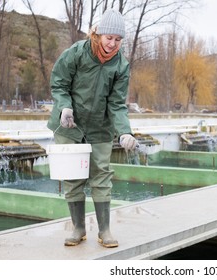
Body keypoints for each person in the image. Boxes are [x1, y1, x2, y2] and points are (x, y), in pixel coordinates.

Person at [47, 9, 138, 248]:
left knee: (101, 177)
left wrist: (125, 132)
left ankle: (104, 230)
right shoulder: (77, 52)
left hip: (100, 128)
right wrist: (64, 107)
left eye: (118, 40)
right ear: (98, 33)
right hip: (69, 125)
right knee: (73, 178)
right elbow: (58, 83)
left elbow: (117, 103)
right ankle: (78, 228)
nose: (112, 44)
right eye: (109, 37)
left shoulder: (121, 65)